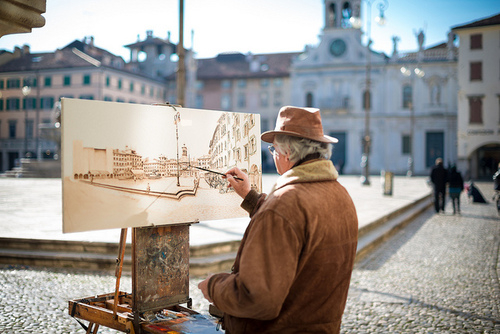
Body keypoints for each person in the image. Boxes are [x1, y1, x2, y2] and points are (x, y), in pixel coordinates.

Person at [198, 106, 358, 333]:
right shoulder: (340, 194)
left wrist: (214, 286)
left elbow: (256, 298)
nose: (273, 154)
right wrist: (251, 198)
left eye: (274, 149)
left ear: (289, 153)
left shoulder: (284, 205)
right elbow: (298, 226)